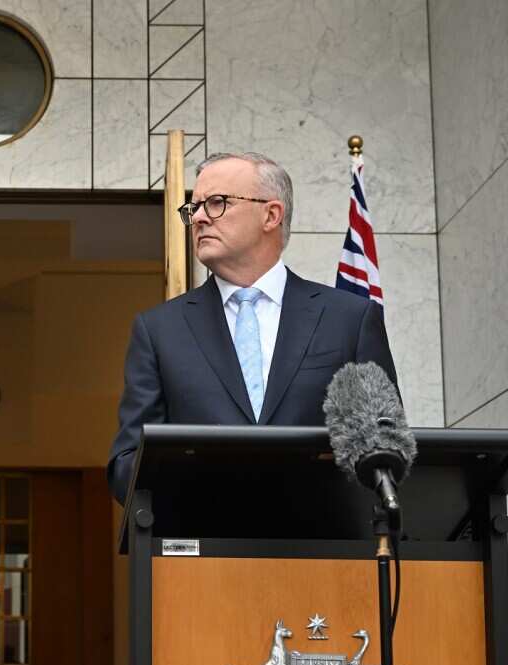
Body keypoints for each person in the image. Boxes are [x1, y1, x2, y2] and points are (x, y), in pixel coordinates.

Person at [106, 152, 397, 503]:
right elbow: (127, 465)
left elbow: (386, 449)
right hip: (203, 549)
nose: (198, 218)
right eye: (194, 207)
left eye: (216, 203)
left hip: (327, 548)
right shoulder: (159, 331)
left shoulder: (349, 319)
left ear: (271, 214)